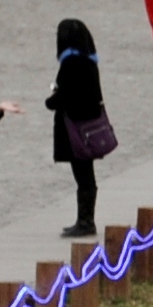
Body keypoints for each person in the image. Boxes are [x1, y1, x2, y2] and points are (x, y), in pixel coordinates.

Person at [46, 17, 111, 238]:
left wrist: (51, 100)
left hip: (76, 129)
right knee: (86, 175)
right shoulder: (89, 61)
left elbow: (64, 96)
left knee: (83, 176)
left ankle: (85, 221)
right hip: (88, 128)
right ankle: (84, 219)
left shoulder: (71, 63)